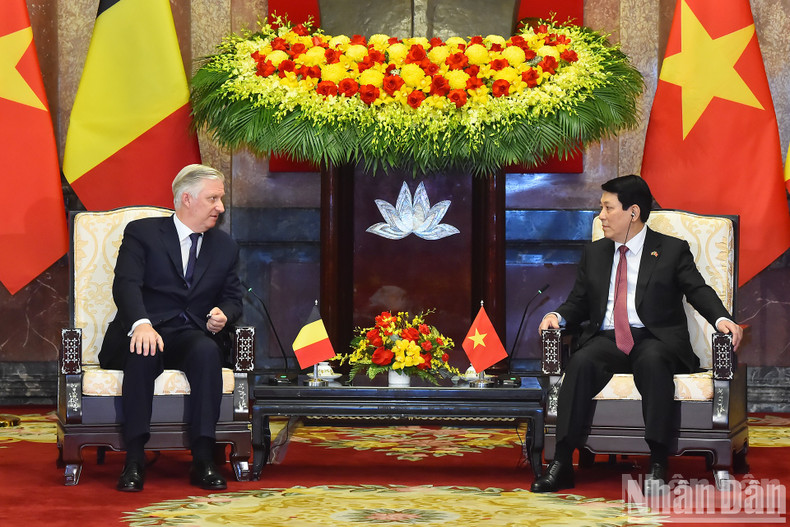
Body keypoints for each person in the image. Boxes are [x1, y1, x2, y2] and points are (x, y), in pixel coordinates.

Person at [531, 175, 742, 494]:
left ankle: (658, 462)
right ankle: (561, 462)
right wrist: (556, 316)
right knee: (581, 362)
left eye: (607, 208)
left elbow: (697, 290)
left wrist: (722, 319)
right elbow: (579, 301)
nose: (601, 216)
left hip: (655, 339)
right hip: (607, 340)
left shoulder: (671, 250)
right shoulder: (595, 253)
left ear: (633, 212)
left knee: (653, 360)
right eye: (601, 208)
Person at [99, 164, 243, 492]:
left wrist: (224, 314)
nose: (220, 207)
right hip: (146, 329)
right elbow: (126, 284)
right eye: (213, 198)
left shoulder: (225, 246)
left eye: (220, 199)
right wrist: (141, 324)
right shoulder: (143, 233)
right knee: (144, 350)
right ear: (187, 199)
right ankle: (134, 459)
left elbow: (234, 299)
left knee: (207, 350)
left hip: (190, 334)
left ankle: (203, 459)